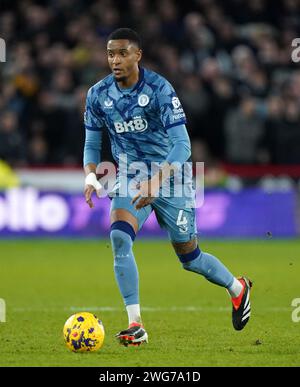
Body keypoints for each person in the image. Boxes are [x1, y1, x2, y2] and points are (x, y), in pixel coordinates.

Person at [83, 28, 252, 347]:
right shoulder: (98, 95)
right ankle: (136, 324)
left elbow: (182, 145)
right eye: (110, 54)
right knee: (119, 236)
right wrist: (91, 175)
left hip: (171, 178)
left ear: (137, 55)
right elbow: (92, 142)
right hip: (131, 177)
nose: (115, 60)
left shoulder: (160, 90)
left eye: (121, 53)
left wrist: (157, 180)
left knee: (190, 259)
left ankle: (237, 288)